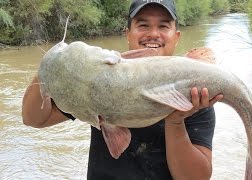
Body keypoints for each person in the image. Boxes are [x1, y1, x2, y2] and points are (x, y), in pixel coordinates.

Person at [22, 0, 223, 179]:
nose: (153, 34)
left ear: (176, 36)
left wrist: (176, 120)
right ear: (127, 34)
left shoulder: (195, 93)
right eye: (143, 25)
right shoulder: (96, 76)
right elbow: (33, 119)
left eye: (163, 26)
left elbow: (196, 178)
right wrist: (46, 69)